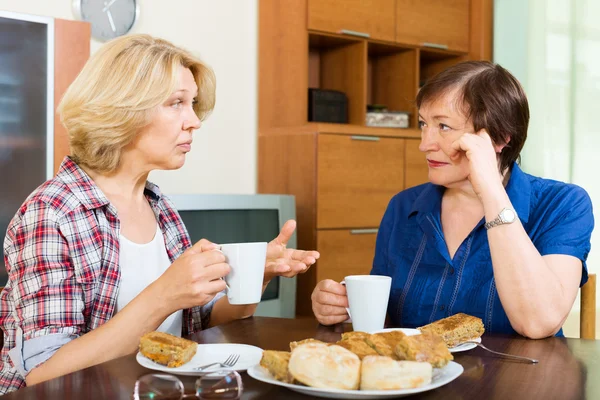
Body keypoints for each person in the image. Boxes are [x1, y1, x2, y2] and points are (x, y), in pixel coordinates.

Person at [0, 34, 319, 394]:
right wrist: (164, 294)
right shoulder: (52, 213)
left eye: (194, 103)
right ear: (122, 110)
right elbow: (43, 375)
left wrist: (255, 276)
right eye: (176, 103)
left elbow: (197, 322)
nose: (194, 121)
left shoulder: (158, 205)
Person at [311, 61, 593, 339]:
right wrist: (342, 306)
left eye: (443, 126)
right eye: (424, 123)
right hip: (419, 379)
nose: (424, 144)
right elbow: (388, 321)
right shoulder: (403, 207)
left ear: (499, 138)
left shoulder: (564, 204)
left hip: (519, 381)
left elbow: (538, 323)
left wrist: (491, 191)